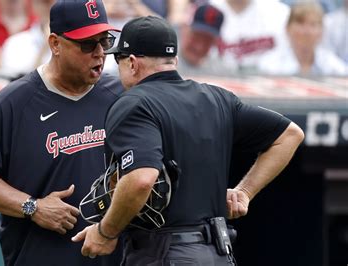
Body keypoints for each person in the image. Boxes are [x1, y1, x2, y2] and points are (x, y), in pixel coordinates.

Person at [72, 16, 305, 265]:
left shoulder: (134, 103)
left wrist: (106, 231)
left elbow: (141, 179)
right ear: (174, 61)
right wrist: (244, 192)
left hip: (164, 253)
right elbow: (290, 134)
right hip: (219, 254)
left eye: (117, 60)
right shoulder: (216, 98)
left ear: (131, 63)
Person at [0, 0, 123, 265]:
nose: (99, 53)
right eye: (88, 44)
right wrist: (33, 206)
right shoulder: (15, 101)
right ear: (55, 44)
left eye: (105, 42)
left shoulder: (120, 95)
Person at [258, 1, 347, 76]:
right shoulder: (269, 66)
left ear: (322, 32)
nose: (306, 31)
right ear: (287, 28)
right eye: (300, 23)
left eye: (313, 24)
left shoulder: (332, 65)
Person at [177, 3, 231, 75]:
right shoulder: (163, 61)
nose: (199, 47)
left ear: (215, 43)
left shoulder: (220, 71)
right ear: (184, 30)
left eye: (207, 41)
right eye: (196, 37)